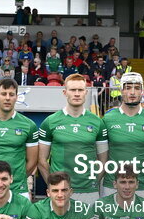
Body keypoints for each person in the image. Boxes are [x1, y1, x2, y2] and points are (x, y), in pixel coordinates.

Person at [37, 74, 108, 204]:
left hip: (89, 192)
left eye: (80, 90)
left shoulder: (98, 122)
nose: (77, 94)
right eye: (72, 90)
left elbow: (103, 161)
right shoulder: (50, 122)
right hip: (60, 192)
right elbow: (42, 161)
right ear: (65, 92)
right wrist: (54, 186)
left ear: (86, 92)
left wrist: (92, 182)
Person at [100, 72, 144, 201]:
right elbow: (102, 153)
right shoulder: (108, 118)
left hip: (143, 185)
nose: (132, 93)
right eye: (128, 88)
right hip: (112, 184)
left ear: (142, 91)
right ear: (121, 90)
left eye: (137, 88)